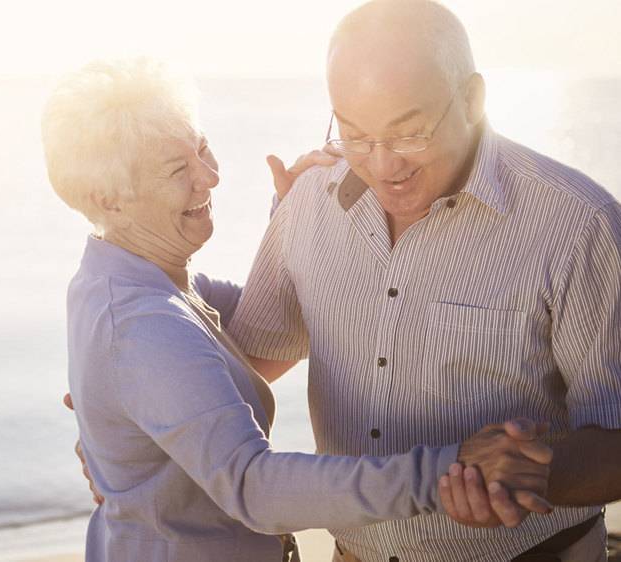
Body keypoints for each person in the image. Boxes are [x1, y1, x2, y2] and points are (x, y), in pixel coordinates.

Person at [42, 57, 553, 562]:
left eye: (202, 149)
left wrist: (296, 224)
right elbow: (255, 487)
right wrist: (449, 468)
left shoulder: (138, 282)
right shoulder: (141, 324)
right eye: (179, 170)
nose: (211, 177)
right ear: (108, 200)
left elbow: (279, 323)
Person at [230, 1, 621, 560]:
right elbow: (251, 364)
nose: (384, 164)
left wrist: (526, 475)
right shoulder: (308, 204)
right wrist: (128, 421)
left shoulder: (578, 223)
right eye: (357, 134)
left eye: (409, 133)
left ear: (472, 99)